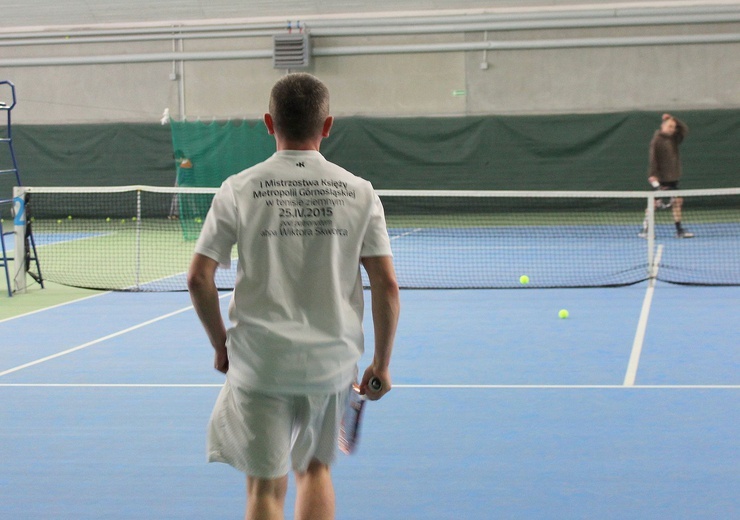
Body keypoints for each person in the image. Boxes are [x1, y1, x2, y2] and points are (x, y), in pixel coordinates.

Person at [187, 73, 400, 520]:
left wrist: (220, 345)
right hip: (331, 364)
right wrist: (380, 364)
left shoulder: (238, 188)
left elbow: (199, 279)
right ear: (327, 126)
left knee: (265, 486)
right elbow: (386, 285)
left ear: (269, 122)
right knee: (316, 470)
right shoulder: (361, 193)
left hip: (259, 362)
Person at [639, 113, 694, 238]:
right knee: (653, 204)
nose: (672, 129)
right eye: (669, 126)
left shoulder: (674, 138)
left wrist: (674, 119)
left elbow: (684, 129)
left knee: (677, 202)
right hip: (660, 179)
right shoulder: (657, 140)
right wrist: (653, 176)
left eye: (673, 127)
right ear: (663, 126)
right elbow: (653, 159)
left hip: (673, 179)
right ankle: (647, 229)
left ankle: (679, 230)